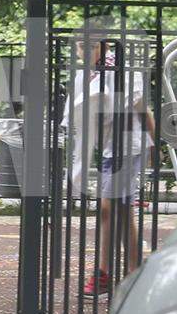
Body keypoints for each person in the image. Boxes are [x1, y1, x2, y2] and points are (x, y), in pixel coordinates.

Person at [65, 36, 154, 295]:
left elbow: (142, 109)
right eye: (81, 46)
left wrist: (151, 144)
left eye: (91, 45)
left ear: (105, 45)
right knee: (123, 212)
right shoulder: (87, 76)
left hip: (127, 145)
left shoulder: (120, 70)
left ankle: (103, 272)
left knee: (107, 207)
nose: (84, 50)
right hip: (111, 147)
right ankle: (134, 272)